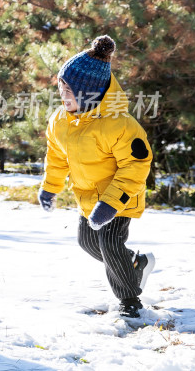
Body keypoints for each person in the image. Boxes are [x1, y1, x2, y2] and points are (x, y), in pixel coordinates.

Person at [38, 35, 155, 318]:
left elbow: (136, 166)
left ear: (90, 93)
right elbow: (56, 156)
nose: (62, 94)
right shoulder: (60, 121)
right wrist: (50, 187)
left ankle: (130, 303)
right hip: (88, 196)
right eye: (61, 86)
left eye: (69, 89)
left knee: (110, 243)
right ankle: (134, 265)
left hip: (120, 198)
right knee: (88, 243)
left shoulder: (119, 124)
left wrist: (112, 203)